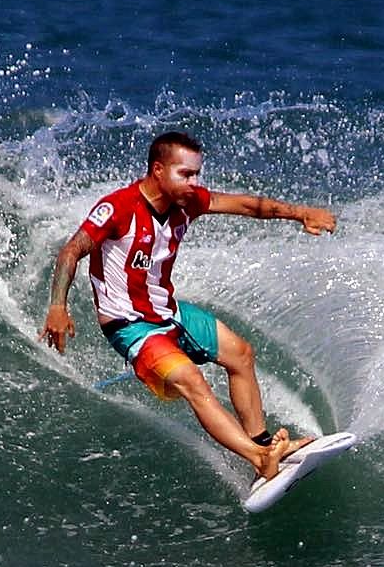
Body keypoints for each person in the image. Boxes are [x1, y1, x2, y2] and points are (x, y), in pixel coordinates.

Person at [39, 131, 337, 483]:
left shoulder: (187, 202)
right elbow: (71, 251)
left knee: (240, 354)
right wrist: (58, 305)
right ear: (158, 170)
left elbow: (245, 206)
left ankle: (265, 444)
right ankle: (259, 460)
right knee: (192, 380)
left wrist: (300, 213)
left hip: (168, 311)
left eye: (197, 174)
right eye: (186, 174)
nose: (194, 183)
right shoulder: (119, 208)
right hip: (129, 325)